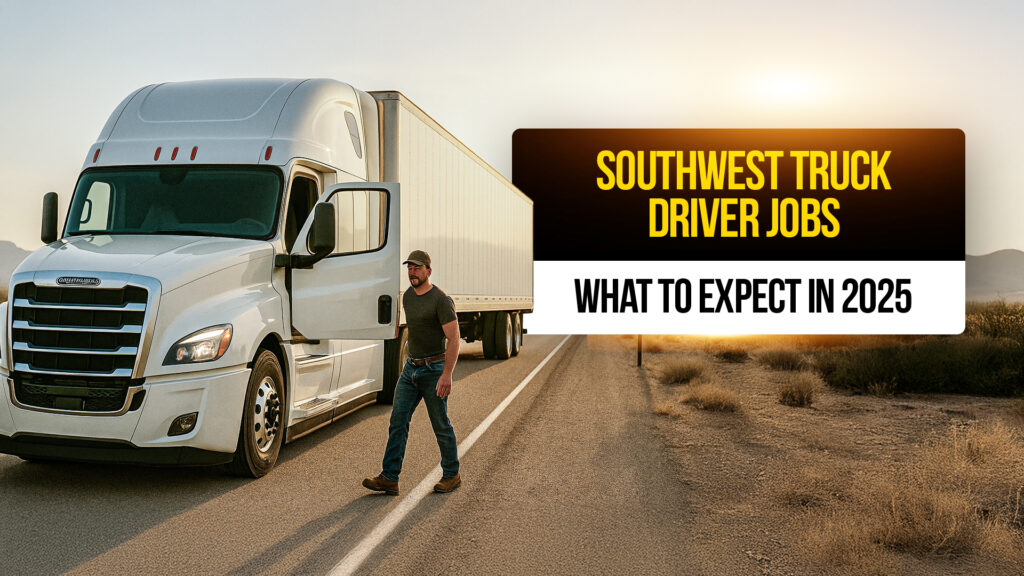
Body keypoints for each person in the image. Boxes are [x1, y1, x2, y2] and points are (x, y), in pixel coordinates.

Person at [363, 250, 462, 495]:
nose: (412, 272)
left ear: (429, 270)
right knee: (398, 421)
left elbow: (454, 339)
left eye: (417, 268)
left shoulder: (441, 300)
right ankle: (389, 477)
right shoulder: (408, 296)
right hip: (411, 369)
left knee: (440, 424)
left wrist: (446, 374)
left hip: (433, 369)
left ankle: (452, 474)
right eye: (409, 268)